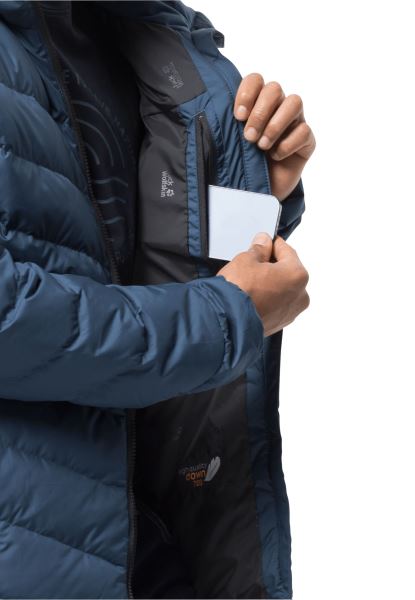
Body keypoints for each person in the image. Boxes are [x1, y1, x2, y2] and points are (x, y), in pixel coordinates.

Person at [0, 1, 315, 598]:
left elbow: (137, 267)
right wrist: (227, 318)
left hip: (167, 545)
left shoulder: (126, 27)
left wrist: (249, 186)